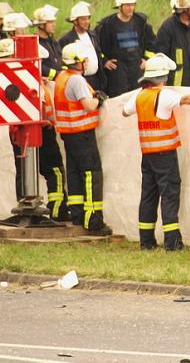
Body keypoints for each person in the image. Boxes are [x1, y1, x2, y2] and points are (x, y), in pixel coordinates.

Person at [122, 54, 190, 250]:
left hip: (148, 155)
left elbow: (125, 111)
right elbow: (186, 99)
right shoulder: (164, 95)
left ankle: (146, 241)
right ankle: (172, 242)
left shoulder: (139, 95)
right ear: (163, 77)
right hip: (165, 155)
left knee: (148, 196)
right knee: (169, 195)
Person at [0, 39, 68, 220]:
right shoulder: (28, 83)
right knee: (54, 171)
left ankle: (24, 204)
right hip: (40, 133)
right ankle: (57, 210)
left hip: (20, 133)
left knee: (23, 169)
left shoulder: (13, 80)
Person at [55, 42, 112, 235]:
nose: (86, 63)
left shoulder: (62, 77)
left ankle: (78, 214)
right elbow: (88, 105)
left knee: (74, 174)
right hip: (82, 134)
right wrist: (100, 100)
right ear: (77, 62)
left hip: (69, 135)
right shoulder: (77, 81)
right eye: (84, 60)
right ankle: (93, 219)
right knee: (91, 175)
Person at [96, 0, 156, 97]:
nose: (131, 8)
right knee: (119, 101)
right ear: (120, 6)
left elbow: (153, 44)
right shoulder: (107, 25)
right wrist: (104, 61)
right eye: (128, 5)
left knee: (137, 99)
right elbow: (96, 46)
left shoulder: (141, 22)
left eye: (133, 5)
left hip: (136, 69)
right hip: (117, 73)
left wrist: (146, 60)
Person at [59, 1, 105, 92]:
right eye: (83, 19)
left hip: (97, 80)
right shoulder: (66, 39)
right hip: (80, 81)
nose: (87, 22)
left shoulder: (93, 35)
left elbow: (99, 53)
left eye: (88, 19)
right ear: (75, 21)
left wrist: (105, 61)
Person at [32, 4, 62, 81]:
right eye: (50, 22)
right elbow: (38, 66)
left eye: (54, 22)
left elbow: (59, 59)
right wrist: (56, 74)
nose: (54, 25)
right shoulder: (34, 43)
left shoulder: (53, 41)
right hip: (46, 83)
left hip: (58, 81)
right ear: (41, 25)